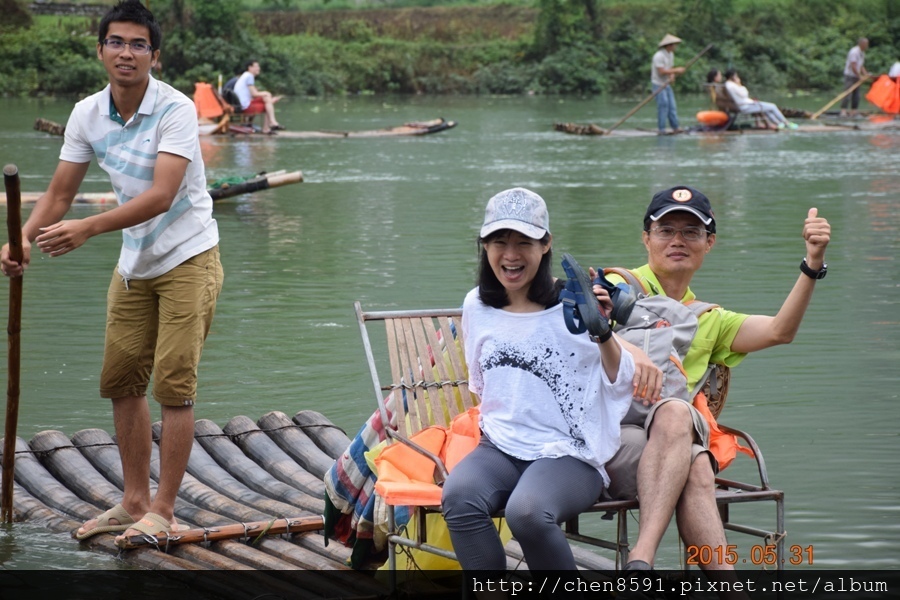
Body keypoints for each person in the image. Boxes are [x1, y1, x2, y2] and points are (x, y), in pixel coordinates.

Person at [0, 0, 223, 542]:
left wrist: (88, 229)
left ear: (155, 56)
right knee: (122, 381)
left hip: (188, 257)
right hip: (134, 265)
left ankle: (163, 511)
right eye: (117, 42)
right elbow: (59, 192)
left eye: (138, 44)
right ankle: (132, 501)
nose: (127, 52)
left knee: (174, 385)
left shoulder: (174, 110)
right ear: (101, 50)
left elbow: (162, 195)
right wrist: (22, 239)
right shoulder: (87, 113)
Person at [595, 186, 830, 576]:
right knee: (693, 455)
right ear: (646, 238)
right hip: (606, 437)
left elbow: (779, 331)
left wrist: (812, 263)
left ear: (710, 242)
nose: (677, 241)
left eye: (691, 232)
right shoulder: (614, 288)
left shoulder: (710, 319)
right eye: (665, 230)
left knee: (685, 438)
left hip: (667, 445)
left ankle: (644, 561)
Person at [440, 187, 635, 574]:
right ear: (484, 245)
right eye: (499, 241)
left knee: (526, 512)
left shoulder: (575, 305)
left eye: (523, 242)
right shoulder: (476, 304)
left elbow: (619, 381)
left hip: (569, 452)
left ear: (546, 245)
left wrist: (602, 331)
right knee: (459, 496)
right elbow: (481, 383)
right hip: (500, 445)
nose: (510, 255)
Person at [723, 69, 798, 129]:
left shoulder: (728, 85)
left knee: (768, 108)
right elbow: (744, 94)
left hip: (745, 104)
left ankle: (779, 123)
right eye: (736, 76)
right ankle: (786, 123)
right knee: (773, 106)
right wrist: (740, 84)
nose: (737, 77)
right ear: (732, 77)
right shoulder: (732, 85)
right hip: (745, 106)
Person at [233, 59, 283, 134]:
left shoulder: (245, 75)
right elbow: (254, 94)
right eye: (256, 66)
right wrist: (267, 93)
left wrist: (267, 97)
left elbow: (253, 95)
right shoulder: (249, 76)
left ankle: (271, 124)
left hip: (241, 104)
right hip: (245, 107)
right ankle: (269, 126)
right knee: (267, 102)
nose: (258, 68)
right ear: (250, 68)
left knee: (267, 99)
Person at [651, 33, 686, 135]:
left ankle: (675, 127)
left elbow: (669, 69)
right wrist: (676, 70)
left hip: (666, 84)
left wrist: (672, 76)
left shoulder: (670, 55)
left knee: (672, 106)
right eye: (674, 45)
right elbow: (661, 71)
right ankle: (661, 128)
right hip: (658, 84)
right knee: (663, 105)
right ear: (669, 45)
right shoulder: (659, 56)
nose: (675, 47)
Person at [840, 37, 870, 117]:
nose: (867, 45)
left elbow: (860, 65)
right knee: (847, 93)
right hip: (850, 75)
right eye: (866, 44)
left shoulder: (862, 53)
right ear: (862, 44)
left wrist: (865, 73)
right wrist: (859, 75)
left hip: (856, 76)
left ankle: (854, 111)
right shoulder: (854, 52)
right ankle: (843, 111)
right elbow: (853, 65)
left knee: (856, 95)